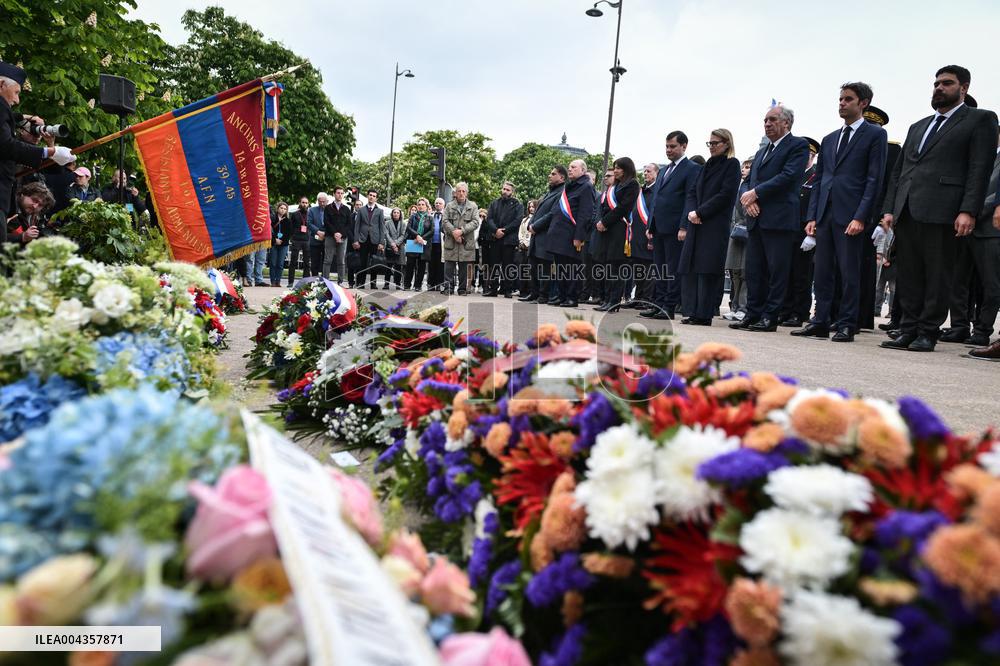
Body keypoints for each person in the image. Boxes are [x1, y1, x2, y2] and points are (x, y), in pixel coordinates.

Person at [880, 65, 999, 353]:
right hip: (908, 209)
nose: (939, 88)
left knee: (937, 274)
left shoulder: (979, 120)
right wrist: (890, 208)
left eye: (947, 83)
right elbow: (900, 171)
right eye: (936, 83)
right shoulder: (918, 126)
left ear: (964, 88)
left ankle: (927, 332)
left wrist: (968, 210)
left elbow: (979, 169)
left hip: (945, 210)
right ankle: (907, 329)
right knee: (909, 274)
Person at [791, 83, 888, 343]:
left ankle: (847, 323)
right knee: (822, 272)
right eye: (841, 99)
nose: (842, 103)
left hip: (851, 216)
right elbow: (820, 179)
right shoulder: (829, 138)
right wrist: (812, 216)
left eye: (848, 99)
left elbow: (873, 179)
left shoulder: (874, 135)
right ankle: (820, 321)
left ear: (863, 103)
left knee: (849, 272)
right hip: (824, 215)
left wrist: (861, 216)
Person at [731, 105, 810, 332]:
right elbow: (750, 180)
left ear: (786, 123)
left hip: (780, 219)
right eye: (765, 120)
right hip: (757, 218)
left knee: (777, 270)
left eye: (772, 120)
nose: (767, 124)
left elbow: (788, 177)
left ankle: (770, 316)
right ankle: (753, 313)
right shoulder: (761, 152)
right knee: (754, 270)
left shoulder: (798, 145)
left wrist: (756, 194)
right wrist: (751, 200)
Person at [0, 62, 75, 237]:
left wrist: (50, 146)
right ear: (2, 85)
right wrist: (49, 152)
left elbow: (56, 169)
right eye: (17, 92)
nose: (17, 100)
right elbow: (7, 146)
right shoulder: (5, 119)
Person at [677, 130, 742, 325]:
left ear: (726, 144)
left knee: (707, 269)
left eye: (716, 143)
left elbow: (725, 195)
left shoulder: (732, 164)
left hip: (714, 223)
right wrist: (692, 212)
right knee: (694, 268)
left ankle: (704, 314)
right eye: (710, 143)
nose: (712, 146)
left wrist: (701, 212)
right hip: (696, 221)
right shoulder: (706, 166)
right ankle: (693, 311)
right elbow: (692, 192)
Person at [641, 131, 701, 320]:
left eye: (673, 146)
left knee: (672, 269)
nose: (669, 150)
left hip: (676, 228)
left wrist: (684, 226)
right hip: (659, 227)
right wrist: (650, 225)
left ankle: (669, 306)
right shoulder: (665, 169)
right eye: (667, 146)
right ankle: (658, 304)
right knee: (660, 268)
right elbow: (657, 199)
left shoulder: (692, 168)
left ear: (684, 146)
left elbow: (690, 199)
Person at [778, 137, 820, 327]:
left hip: (804, 230)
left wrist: (813, 233)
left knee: (801, 274)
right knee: (785, 272)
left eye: (807, 155)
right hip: (787, 228)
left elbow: (817, 205)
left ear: (812, 156)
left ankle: (799, 312)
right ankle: (785, 310)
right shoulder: (790, 174)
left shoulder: (815, 176)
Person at [591, 157, 640, 311]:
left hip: (620, 229)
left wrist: (605, 222)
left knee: (617, 268)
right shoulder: (615, 186)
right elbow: (605, 206)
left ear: (626, 169)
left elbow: (623, 208)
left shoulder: (632, 184)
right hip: (608, 230)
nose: (616, 170)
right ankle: (607, 300)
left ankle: (614, 301)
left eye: (618, 168)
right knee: (609, 267)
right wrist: (601, 222)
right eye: (615, 168)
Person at [548, 159, 594, 307]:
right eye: (569, 167)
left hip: (571, 235)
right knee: (561, 267)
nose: (570, 169)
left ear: (583, 170)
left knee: (571, 268)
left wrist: (579, 236)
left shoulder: (586, 186)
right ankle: (562, 296)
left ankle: (571, 297)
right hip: (560, 234)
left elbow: (585, 214)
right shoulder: (570, 186)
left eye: (573, 167)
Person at [520, 166, 566, 303]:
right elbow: (538, 212)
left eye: (553, 174)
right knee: (533, 266)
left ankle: (543, 295)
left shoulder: (561, 193)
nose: (549, 176)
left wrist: (536, 226)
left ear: (562, 178)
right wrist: (531, 224)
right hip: (536, 235)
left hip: (546, 235)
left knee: (544, 268)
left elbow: (552, 214)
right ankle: (534, 293)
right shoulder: (548, 193)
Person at [621, 163, 657, 308]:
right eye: (645, 171)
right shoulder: (641, 191)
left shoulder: (657, 191)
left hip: (648, 235)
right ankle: (637, 297)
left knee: (648, 269)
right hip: (636, 235)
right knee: (638, 269)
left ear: (656, 174)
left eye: (649, 171)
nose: (646, 174)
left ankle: (646, 299)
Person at [483, 181, 525, 297]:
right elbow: (489, 218)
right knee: (494, 265)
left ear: (512, 192)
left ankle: (507, 290)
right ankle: (493, 289)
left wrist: (504, 231)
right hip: (495, 238)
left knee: (508, 266)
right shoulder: (494, 203)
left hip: (509, 240)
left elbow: (517, 221)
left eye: (508, 190)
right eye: (504, 189)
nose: (505, 191)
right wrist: (496, 230)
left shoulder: (518, 205)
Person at [723, 159, 753, 320]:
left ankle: (743, 307)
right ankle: (734, 307)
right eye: (743, 167)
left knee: (744, 273)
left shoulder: (751, 188)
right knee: (734, 272)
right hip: (734, 234)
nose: (744, 170)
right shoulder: (738, 187)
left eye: (748, 167)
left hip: (746, 233)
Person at [581, 170, 613, 306]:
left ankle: (597, 294)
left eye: (589, 178)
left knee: (596, 266)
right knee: (586, 267)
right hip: (585, 235)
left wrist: (592, 223)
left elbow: (595, 213)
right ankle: (586, 293)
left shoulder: (599, 195)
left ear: (594, 181)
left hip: (596, 233)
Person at [442, 182, 480, 295]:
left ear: (466, 193)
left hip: (466, 241)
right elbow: (444, 221)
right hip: (451, 240)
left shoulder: (473, 206)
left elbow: (476, 222)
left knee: (464, 267)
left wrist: (461, 231)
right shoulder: (449, 206)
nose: (461, 193)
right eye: (459, 191)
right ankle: (448, 288)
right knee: (449, 266)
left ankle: (462, 289)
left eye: (463, 191)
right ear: (455, 193)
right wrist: (454, 232)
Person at [353, 189, 388, 290]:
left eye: (374, 196)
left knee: (374, 262)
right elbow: (357, 226)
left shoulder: (380, 211)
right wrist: (356, 240)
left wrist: (381, 242)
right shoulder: (361, 210)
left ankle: (373, 283)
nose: (372, 197)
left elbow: (382, 228)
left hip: (375, 240)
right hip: (363, 239)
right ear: (368, 196)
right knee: (362, 262)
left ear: (376, 198)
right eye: (370, 195)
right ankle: (360, 283)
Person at [7, 181, 55, 245]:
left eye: (40, 205)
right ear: (23, 194)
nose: (35, 206)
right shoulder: (7, 208)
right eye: (34, 200)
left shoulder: (34, 218)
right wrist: (23, 237)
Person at [323, 186, 352, 283]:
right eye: (338, 193)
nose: (340, 195)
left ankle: (340, 282)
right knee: (328, 260)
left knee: (341, 261)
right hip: (330, 237)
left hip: (343, 238)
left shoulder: (347, 209)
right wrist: (335, 233)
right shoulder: (328, 208)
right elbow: (327, 222)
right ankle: (325, 282)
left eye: (342, 193)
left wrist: (341, 234)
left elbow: (349, 224)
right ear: (334, 194)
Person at [404, 198, 433, 290]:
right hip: (413, 242)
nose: (420, 206)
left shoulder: (430, 218)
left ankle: (418, 286)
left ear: (426, 206)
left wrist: (422, 238)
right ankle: (407, 285)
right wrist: (417, 235)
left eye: (423, 204)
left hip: (423, 244)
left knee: (421, 266)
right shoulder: (413, 216)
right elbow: (408, 228)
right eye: (419, 204)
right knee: (410, 265)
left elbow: (432, 231)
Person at [288, 196, 312, 286]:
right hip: (296, 240)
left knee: (306, 263)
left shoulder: (310, 214)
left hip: (306, 240)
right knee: (293, 262)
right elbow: (291, 227)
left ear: (308, 204)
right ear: (300, 203)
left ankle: (305, 282)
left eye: (306, 203)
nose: (304, 204)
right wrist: (293, 237)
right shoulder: (295, 214)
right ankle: (290, 282)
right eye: (303, 202)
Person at [307, 192, 328, 280]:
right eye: (320, 202)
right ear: (317, 201)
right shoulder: (312, 210)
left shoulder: (330, 210)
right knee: (315, 262)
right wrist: (318, 231)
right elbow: (309, 223)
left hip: (327, 240)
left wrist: (325, 233)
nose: (322, 204)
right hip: (315, 239)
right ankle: (314, 280)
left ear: (327, 201)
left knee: (326, 262)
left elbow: (333, 224)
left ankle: (324, 280)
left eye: (324, 202)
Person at [384, 207, 407, 289]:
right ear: (392, 214)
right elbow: (386, 234)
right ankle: (386, 284)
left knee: (398, 266)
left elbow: (403, 235)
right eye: (394, 212)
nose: (396, 214)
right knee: (388, 266)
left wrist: (396, 244)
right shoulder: (387, 223)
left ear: (400, 214)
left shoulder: (403, 223)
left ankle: (397, 283)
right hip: (390, 247)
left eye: (397, 212)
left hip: (400, 247)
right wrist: (392, 244)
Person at [516, 200, 536, 296]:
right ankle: (522, 290)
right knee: (522, 269)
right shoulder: (524, 219)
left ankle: (529, 290)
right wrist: (521, 241)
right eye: (530, 207)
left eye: (533, 206)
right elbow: (521, 232)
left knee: (529, 270)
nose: (531, 208)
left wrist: (527, 243)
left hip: (530, 247)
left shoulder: (536, 218)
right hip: (522, 247)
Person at [269, 201, 291, 287]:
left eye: (285, 209)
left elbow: (289, 233)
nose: (283, 210)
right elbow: (269, 231)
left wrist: (281, 240)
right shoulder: (272, 219)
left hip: (283, 244)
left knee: (280, 264)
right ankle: (272, 281)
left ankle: (278, 281)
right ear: (278, 208)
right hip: (274, 243)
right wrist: (275, 240)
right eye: (281, 208)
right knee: (273, 263)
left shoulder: (288, 221)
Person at [428, 198, 446, 291]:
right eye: (436, 203)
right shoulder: (431, 215)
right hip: (431, 243)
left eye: (440, 203)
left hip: (442, 244)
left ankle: (439, 284)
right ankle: (431, 284)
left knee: (440, 265)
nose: (438, 204)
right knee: (431, 264)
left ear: (443, 205)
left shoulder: (446, 215)